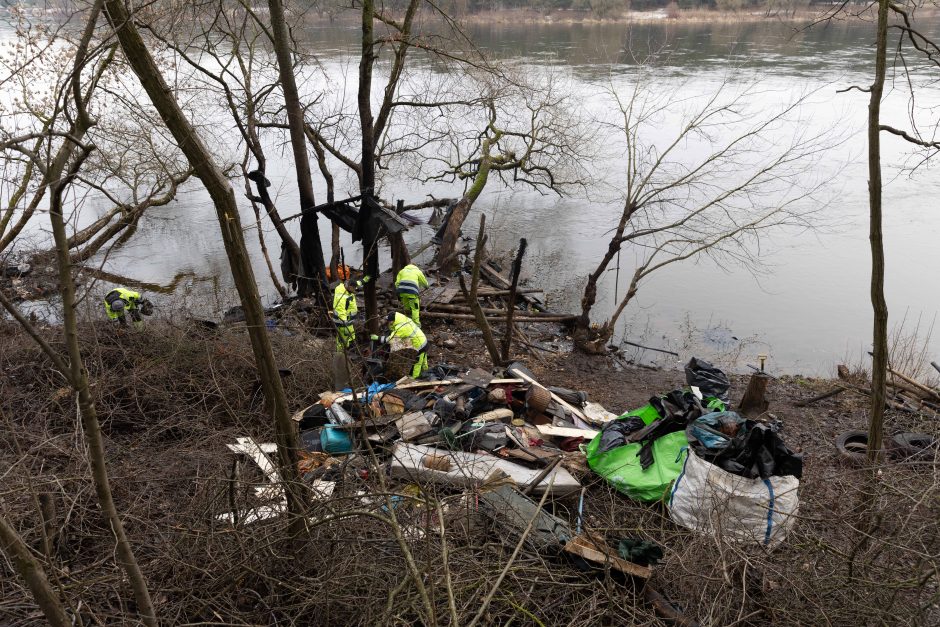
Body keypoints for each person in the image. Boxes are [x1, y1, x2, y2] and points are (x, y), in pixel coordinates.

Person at [371, 311, 428, 378]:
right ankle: (427, 372)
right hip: (423, 341)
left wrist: (378, 338)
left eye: (390, 322)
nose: (389, 324)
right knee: (423, 360)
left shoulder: (401, 328)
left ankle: (415, 380)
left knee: (417, 363)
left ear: (392, 321)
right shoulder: (403, 319)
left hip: (419, 346)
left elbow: (390, 339)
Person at [331, 274, 370, 351]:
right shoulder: (341, 296)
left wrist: (364, 280)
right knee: (343, 339)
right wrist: (344, 323)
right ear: (349, 287)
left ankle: (346, 351)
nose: (355, 290)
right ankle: (340, 354)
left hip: (348, 320)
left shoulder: (347, 287)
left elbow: (357, 283)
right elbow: (340, 311)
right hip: (342, 322)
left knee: (349, 337)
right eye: (354, 288)